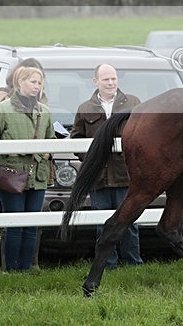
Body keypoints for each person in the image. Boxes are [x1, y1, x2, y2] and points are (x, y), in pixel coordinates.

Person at [71, 64, 142, 268]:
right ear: (96, 82)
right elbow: (76, 139)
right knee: (103, 223)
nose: (111, 83)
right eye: (106, 79)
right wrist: (93, 159)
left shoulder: (133, 103)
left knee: (129, 222)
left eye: (113, 78)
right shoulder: (85, 108)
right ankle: (106, 264)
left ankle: (133, 263)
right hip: (98, 178)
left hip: (126, 175)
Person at [0, 66, 54, 271]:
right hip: (11, 174)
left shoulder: (45, 112)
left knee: (32, 225)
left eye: (39, 83)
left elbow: (51, 139)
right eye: (33, 82)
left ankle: (27, 268)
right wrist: (9, 151)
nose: (37, 86)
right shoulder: (3, 109)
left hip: (38, 175)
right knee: (14, 224)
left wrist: (47, 152)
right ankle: (11, 269)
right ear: (20, 83)